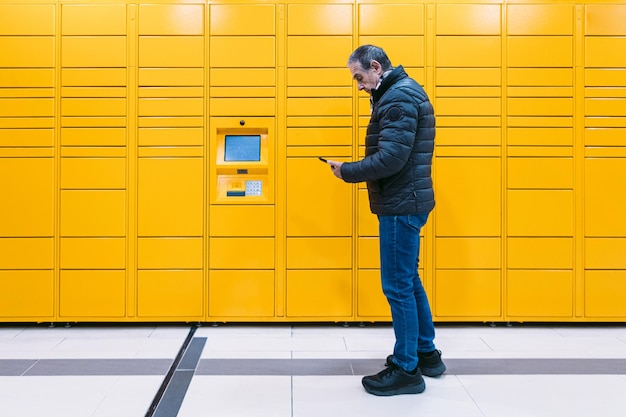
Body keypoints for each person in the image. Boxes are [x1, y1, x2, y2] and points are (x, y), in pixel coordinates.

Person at [325, 45, 446, 396]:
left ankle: (407, 369)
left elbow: (391, 158)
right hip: (408, 200)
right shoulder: (400, 92)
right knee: (409, 280)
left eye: (359, 77)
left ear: (376, 67)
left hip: (400, 204)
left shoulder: (397, 98)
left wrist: (346, 171)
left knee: (397, 285)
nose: (359, 86)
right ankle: (426, 354)